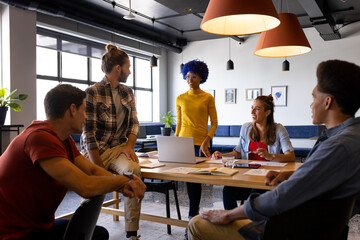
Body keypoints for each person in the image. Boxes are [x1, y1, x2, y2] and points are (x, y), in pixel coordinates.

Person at [188, 59, 360, 240]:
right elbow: (319, 175)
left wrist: (228, 214)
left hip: (288, 230)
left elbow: (281, 196)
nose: (311, 105)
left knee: (196, 224)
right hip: (310, 225)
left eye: (313, 97)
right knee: (229, 193)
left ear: (327, 102)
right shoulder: (350, 137)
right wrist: (292, 175)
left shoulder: (338, 145)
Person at [0, 84, 146, 240]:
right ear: (72, 109)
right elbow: (85, 186)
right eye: (84, 110)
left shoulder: (64, 140)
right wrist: (124, 180)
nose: (86, 117)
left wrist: (125, 184)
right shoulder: (39, 137)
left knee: (98, 234)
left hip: (37, 227)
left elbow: (93, 171)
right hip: (12, 233)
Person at [81, 44, 142, 240]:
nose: (129, 72)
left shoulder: (128, 92)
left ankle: (132, 232)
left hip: (118, 149)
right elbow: (88, 134)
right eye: (128, 67)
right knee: (93, 186)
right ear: (118, 68)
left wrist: (128, 146)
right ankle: (84, 231)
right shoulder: (92, 92)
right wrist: (101, 171)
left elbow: (134, 123)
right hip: (95, 151)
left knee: (134, 172)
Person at [212, 95, 295, 210]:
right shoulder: (246, 128)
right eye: (252, 107)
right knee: (228, 190)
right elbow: (238, 151)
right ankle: (232, 224)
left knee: (254, 194)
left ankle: (249, 223)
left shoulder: (279, 129)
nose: (252, 111)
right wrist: (222, 155)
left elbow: (290, 157)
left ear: (267, 113)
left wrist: (270, 156)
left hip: (266, 178)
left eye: (257, 109)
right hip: (246, 176)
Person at [175, 60, 218, 229]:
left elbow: (214, 123)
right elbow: (178, 124)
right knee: (187, 179)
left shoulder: (208, 97)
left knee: (196, 180)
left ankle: (193, 215)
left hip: (201, 144)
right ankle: (191, 216)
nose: (190, 80)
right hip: (183, 142)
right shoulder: (180, 98)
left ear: (201, 78)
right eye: (187, 76)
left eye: (193, 76)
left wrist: (207, 140)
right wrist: (175, 141)